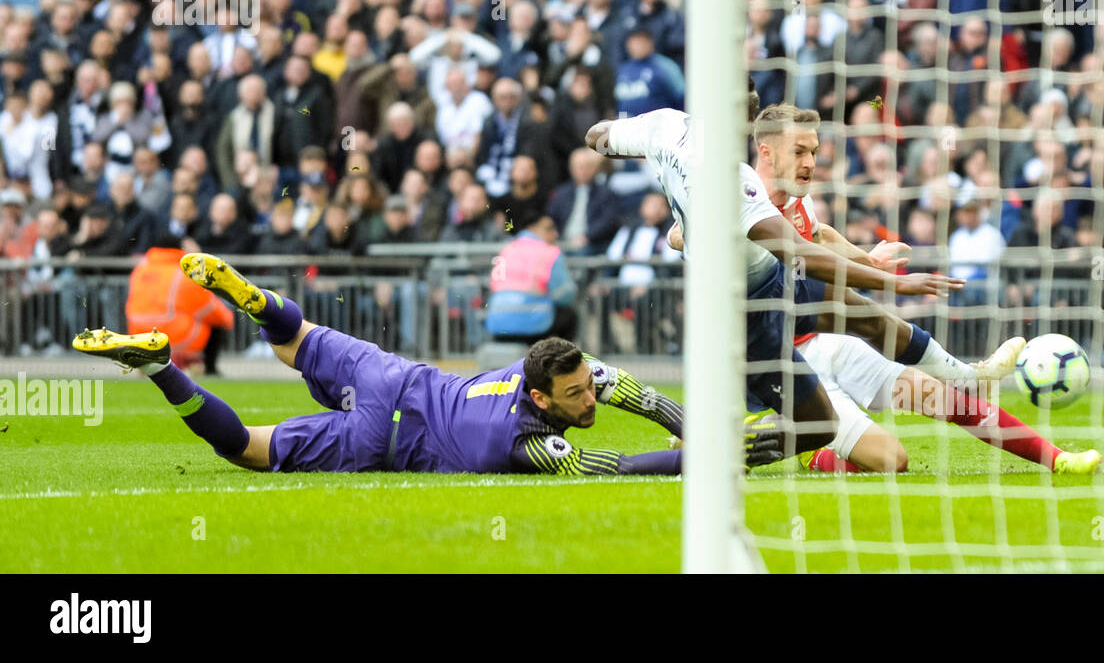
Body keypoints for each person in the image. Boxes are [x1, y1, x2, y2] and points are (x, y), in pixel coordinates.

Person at [72, 253, 778, 475]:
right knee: (251, 452)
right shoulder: (531, 443)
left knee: (297, 340)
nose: (591, 403)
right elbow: (619, 468)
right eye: (576, 397)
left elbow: (641, 399)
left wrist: (691, 424)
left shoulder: (563, 368)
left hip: (392, 375)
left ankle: (255, 300)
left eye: (586, 390)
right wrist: (708, 454)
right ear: (540, 395)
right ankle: (164, 367)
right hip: (387, 435)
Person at [738, 102, 1100, 475]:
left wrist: (870, 261)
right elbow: (682, 232)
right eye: (799, 152)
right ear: (766, 152)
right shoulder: (736, 201)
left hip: (828, 340)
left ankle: (1058, 459)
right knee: (892, 461)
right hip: (789, 365)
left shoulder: (798, 198)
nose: (810, 163)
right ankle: (808, 446)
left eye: (813, 151)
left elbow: (819, 234)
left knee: (945, 399)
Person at [123, 247, 235, 374]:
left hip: (140, 336)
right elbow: (208, 308)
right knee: (215, 321)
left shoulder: (140, 269)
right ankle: (209, 369)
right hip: (176, 337)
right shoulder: (184, 272)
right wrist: (228, 319)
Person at [484, 214, 577, 343]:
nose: (555, 234)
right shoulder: (550, 252)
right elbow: (566, 294)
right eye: (549, 229)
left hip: (498, 322)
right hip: (536, 324)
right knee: (569, 315)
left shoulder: (507, 249)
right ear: (532, 228)